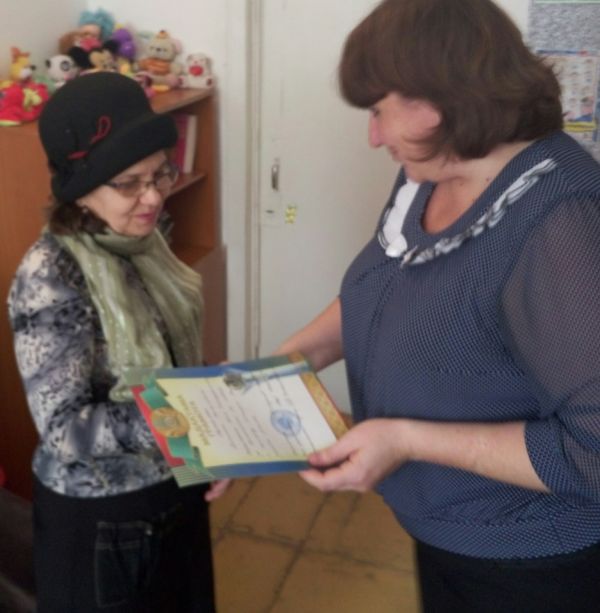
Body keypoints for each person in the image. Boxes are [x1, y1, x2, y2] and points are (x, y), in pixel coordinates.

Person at [275, 0, 600, 611]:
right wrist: (286, 361)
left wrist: (407, 440)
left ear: (438, 101)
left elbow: (594, 450)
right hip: (444, 528)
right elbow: (381, 290)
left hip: (527, 560)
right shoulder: (431, 171)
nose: (373, 136)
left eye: (378, 111)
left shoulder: (560, 222)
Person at [8, 72, 224, 612]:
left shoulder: (143, 240)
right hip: (102, 522)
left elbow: (171, 358)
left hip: (173, 490)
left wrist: (204, 452)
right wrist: (188, 416)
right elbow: (64, 429)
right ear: (81, 189)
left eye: (160, 174)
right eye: (129, 183)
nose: (152, 197)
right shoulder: (51, 276)